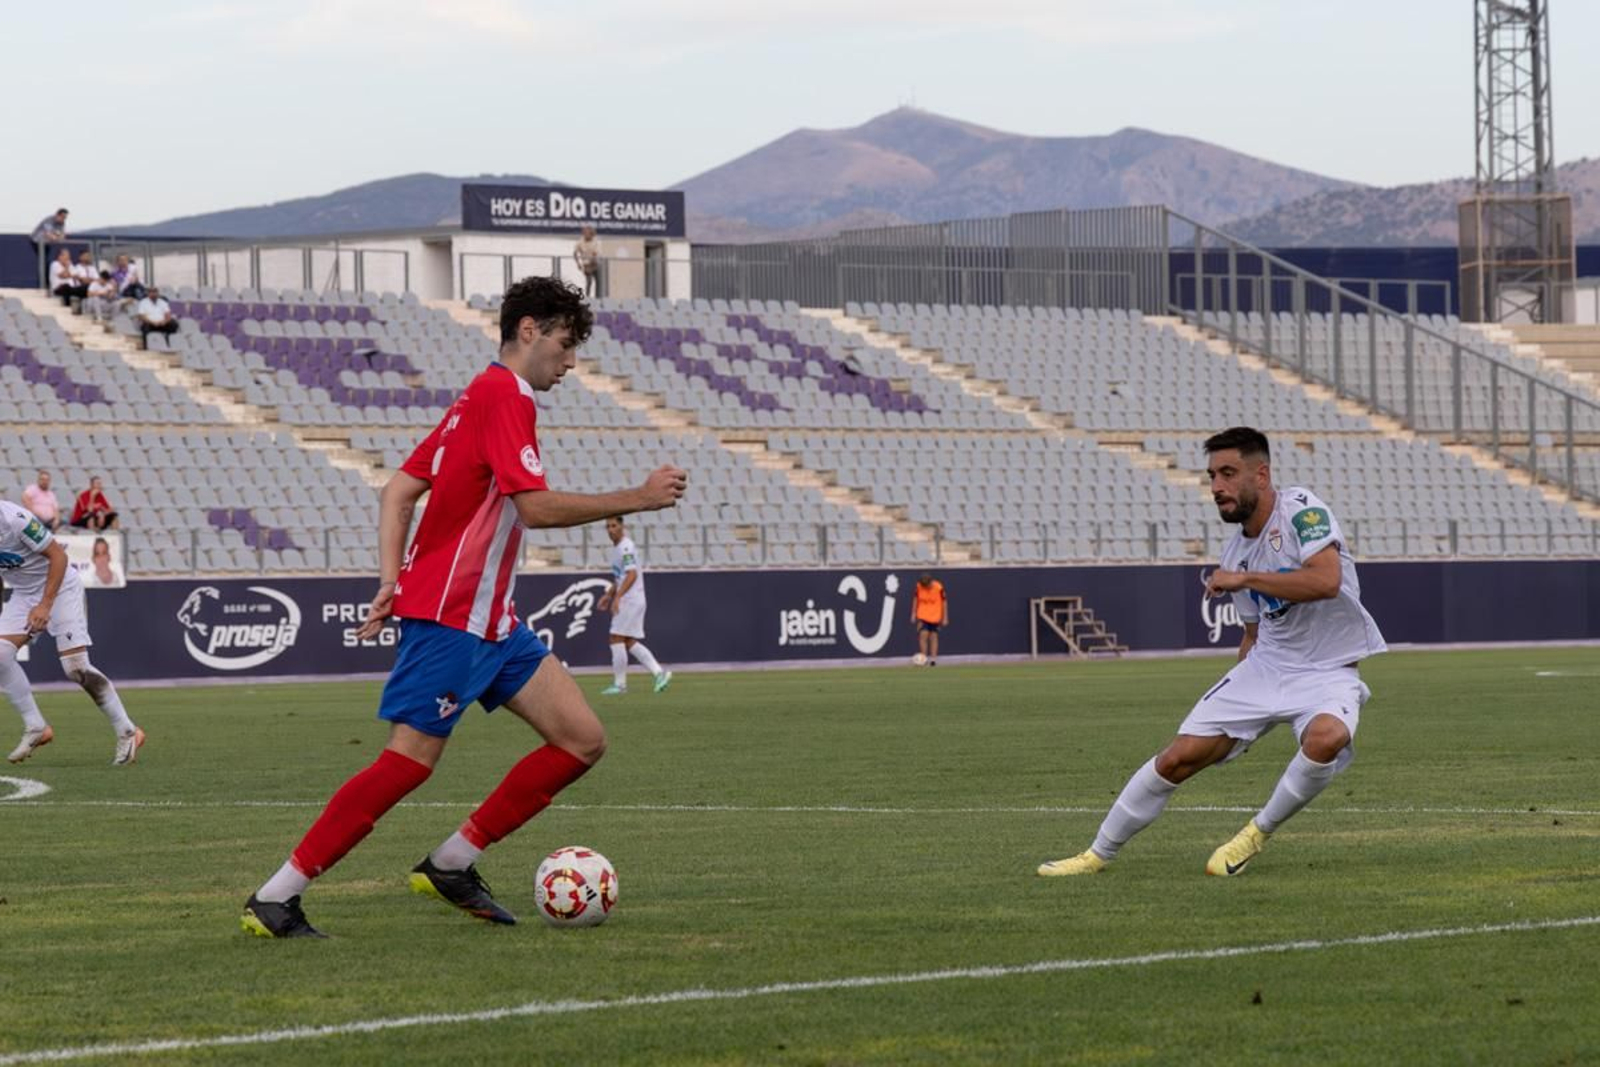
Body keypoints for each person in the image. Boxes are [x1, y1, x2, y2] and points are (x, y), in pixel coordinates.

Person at [241, 276, 688, 939]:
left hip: (493, 621)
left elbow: (398, 490)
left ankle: (451, 862)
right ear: (529, 330)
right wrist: (638, 497)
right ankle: (275, 897)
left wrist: (390, 578)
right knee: (407, 762)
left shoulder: (475, 396)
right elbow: (533, 508)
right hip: (452, 615)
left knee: (581, 738)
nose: (571, 362)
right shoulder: (505, 395)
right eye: (565, 345)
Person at [1037, 427, 1386, 879]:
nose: (1217, 486)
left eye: (1228, 473)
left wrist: (1245, 580)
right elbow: (1253, 635)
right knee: (1176, 759)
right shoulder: (1236, 553)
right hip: (1266, 669)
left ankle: (1253, 835)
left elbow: (1326, 581)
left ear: (1261, 475)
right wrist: (1242, 705)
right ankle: (1095, 855)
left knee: (1327, 738)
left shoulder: (1303, 510)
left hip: (1327, 671)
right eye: (1212, 476)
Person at [1, 498, 145, 767]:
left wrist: (45, 605)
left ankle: (127, 730)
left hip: (60, 587)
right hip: (23, 594)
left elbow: (59, 556)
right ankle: (36, 726)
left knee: (76, 668)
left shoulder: (15, 519)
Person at [596, 515, 671, 695]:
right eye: (608, 526)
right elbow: (621, 577)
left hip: (630, 599)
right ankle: (659, 673)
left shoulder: (626, 547)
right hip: (632, 598)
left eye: (614, 525)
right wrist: (609, 595)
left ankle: (620, 685)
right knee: (628, 641)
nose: (610, 530)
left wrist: (618, 597)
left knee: (615, 637)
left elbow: (632, 575)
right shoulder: (618, 548)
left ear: (622, 526)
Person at [911, 573, 947, 666]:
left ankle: (933, 660)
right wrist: (913, 613)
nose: (926, 587)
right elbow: (915, 599)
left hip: (935, 615)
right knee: (923, 635)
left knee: (933, 637)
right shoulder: (919, 587)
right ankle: (924, 659)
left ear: (931, 582)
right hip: (923, 614)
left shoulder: (939, 587)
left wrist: (945, 617)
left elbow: (944, 602)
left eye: (927, 585)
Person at [573, 225, 602, 298]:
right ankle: (587, 297)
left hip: (595, 263)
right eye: (585, 233)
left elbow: (595, 253)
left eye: (588, 233)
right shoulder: (580, 242)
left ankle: (598, 297)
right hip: (586, 265)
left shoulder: (595, 241)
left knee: (599, 281)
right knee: (589, 281)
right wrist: (578, 263)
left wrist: (592, 261)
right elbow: (575, 253)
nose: (586, 235)